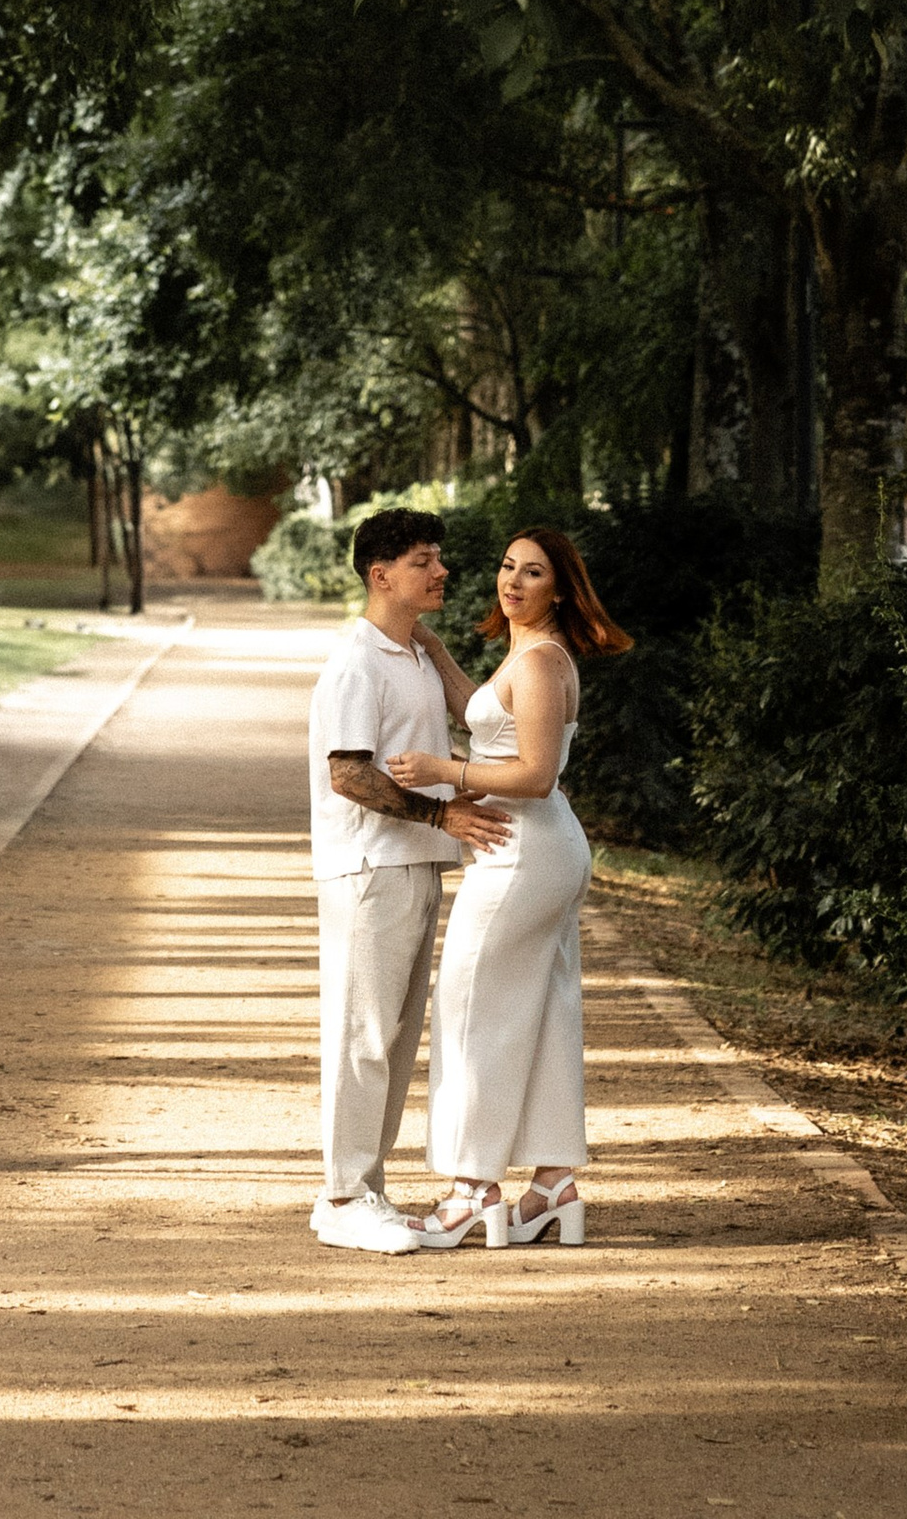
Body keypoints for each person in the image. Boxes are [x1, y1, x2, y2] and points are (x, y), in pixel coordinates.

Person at [388, 523, 632, 1249]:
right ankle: (552, 1185)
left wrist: (444, 771)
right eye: (507, 566)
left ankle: (471, 1190)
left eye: (532, 573)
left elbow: (536, 773)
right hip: (535, 850)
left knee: (471, 1009)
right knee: (544, 1010)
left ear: (561, 589)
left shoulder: (542, 662)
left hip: (523, 853)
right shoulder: (526, 655)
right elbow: (485, 717)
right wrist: (433, 647)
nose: (512, 582)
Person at [305, 504, 509, 1255]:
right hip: (368, 868)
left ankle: (367, 1190)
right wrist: (440, 815)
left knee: (392, 1040)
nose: (441, 571)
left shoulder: (414, 654)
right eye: (423, 561)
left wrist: (434, 645)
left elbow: (482, 719)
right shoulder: (356, 662)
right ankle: (341, 1197)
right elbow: (348, 774)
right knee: (361, 1035)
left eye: (438, 558)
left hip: (414, 863)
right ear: (380, 574)